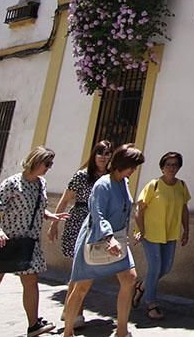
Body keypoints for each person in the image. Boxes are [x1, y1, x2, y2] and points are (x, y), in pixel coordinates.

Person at [0, 146, 69, 337]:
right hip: (7, 241)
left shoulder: (41, 184)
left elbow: (37, 208)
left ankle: (33, 325)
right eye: (47, 163)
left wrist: (50, 216)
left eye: (51, 164)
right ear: (36, 161)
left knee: (31, 282)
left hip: (29, 243)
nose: (49, 168)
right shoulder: (13, 183)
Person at [62, 144, 145, 337]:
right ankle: (67, 332)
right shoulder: (102, 185)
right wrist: (109, 238)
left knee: (130, 279)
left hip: (118, 239)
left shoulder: (123, 182)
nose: (133, 171)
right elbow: (97, 214)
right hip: (97, 238)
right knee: (81, 287)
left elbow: (125, 209)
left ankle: (122, 331)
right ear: (121, 164)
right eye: (132, 166)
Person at [47, 139, 113, 329]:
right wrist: (54, 224)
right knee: (81, 269)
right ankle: (76, 312)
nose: (103, 157)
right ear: (94, 155)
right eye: (100, 152)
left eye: (107, 153)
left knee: (85, 270)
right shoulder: (82, 176)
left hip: (99, 224)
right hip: (79, 222)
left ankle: (70, 308)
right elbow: (65, 199)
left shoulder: (109, 178)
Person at [132, 151, 191, 320]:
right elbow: (139, 209)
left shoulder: (181, 186)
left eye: (175, 165)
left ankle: (142, 287)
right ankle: (151, 303)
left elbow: (184, 209)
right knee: (155, 267)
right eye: (168, 165)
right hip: (150, 233)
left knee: (166, 267)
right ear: (162, 167)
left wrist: (186, 230)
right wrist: (140, 230)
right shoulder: (154, 185)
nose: (172, 168)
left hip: (170, 233)